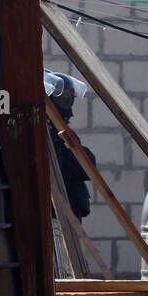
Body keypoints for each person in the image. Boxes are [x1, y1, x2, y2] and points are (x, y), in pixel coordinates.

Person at [44, 70, 94, 220]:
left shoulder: (63, 131)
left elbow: (87, 167)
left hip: (69, 212)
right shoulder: (48, 132)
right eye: (62, 97)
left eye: (69, 95)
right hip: (55, 213)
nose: (66, 100)